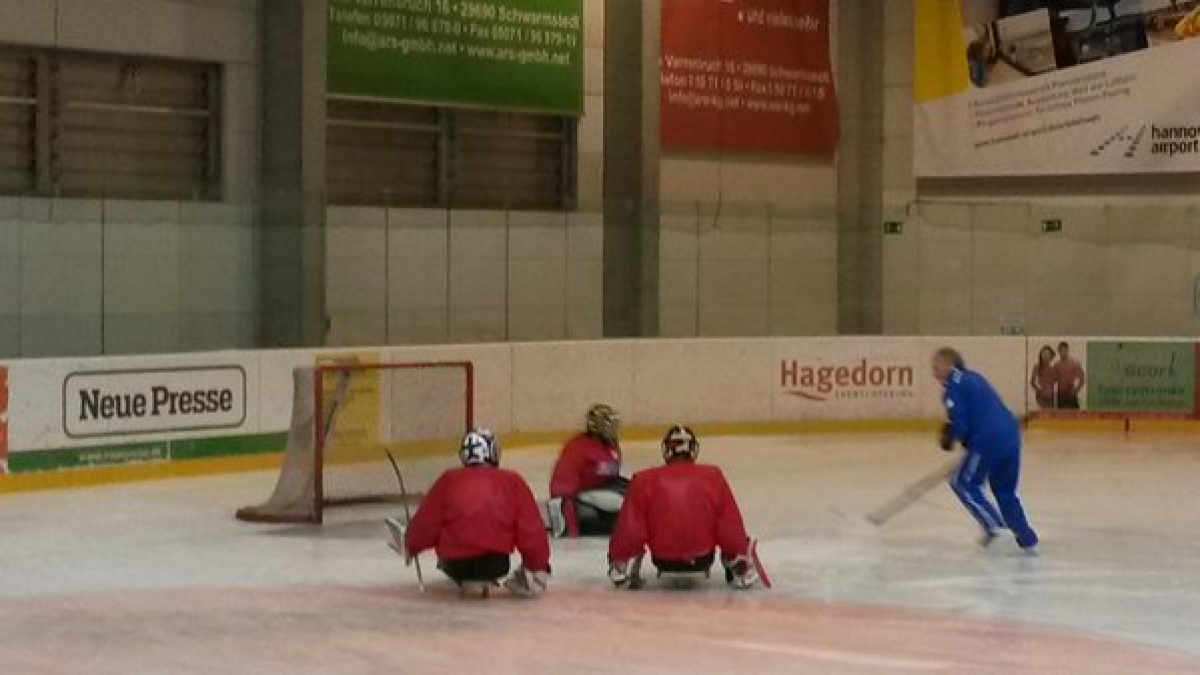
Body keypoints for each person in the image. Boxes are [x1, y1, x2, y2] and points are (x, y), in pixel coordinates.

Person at [388, 429, 551, 597]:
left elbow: (428, 523)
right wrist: (537, 566)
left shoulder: (448, 479)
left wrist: (411, 545)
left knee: (456, 556)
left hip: (455, 564)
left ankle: (468, 580)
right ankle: (484, 579)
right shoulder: (513, 481)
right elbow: (531, 529)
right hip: (496, 564)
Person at [607, 426, 758, 589]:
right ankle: (738, 565)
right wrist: (738, 550)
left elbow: (631, 529)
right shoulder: (713, 476)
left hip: (663, 560)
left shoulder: (643, 479)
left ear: (667, 449)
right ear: (693, 449)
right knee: (733, 545)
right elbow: (729, 526)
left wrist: (619, 555)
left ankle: (624, 566)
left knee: (629, 541)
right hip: (703, 558)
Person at [933, 347, 1039, 553]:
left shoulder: (952, 388)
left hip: (988, 440)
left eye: (936, 367)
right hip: (1011, 436)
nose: (934, 373)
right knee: (1005, 491)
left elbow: (961, 425)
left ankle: (994, 528)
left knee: (962, 482)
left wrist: (951, 437)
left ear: (948, 365)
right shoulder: (974, 377)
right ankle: (1026, 538)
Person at [545, 404, 628, 538]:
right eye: (607, 424)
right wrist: (569, 524)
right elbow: (562, 485)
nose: (613, 428)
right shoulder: (577, 449)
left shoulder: (609, 445)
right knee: (626, 502)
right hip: (582, 496)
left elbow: (609, 474)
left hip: (601, 489)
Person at [1053, 342, 1085, 409]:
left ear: (1067, 350)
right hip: (1060, 395)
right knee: (1061, 417)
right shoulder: (1056, 365)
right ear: (1058, 352)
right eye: (1061, 351)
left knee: (1074, 417)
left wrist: (1075, 391)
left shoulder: (1075, 363)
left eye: (1064, 350)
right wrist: (1055, 394)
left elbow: (1082, 380)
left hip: (1071, 394)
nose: (1063, 353)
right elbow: (1054, 381)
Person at [1029, 344, 1057, 409]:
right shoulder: (1037, 367)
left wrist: (1054, 395)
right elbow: (1032, 382)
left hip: (1051, 396)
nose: (1045, 356)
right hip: (1041, 395)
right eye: (1044, 353)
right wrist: (1038, 390)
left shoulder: (1053, 369)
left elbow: (1055, 384)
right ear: (1041, 355)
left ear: (1051, 356)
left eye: (1048, 354)